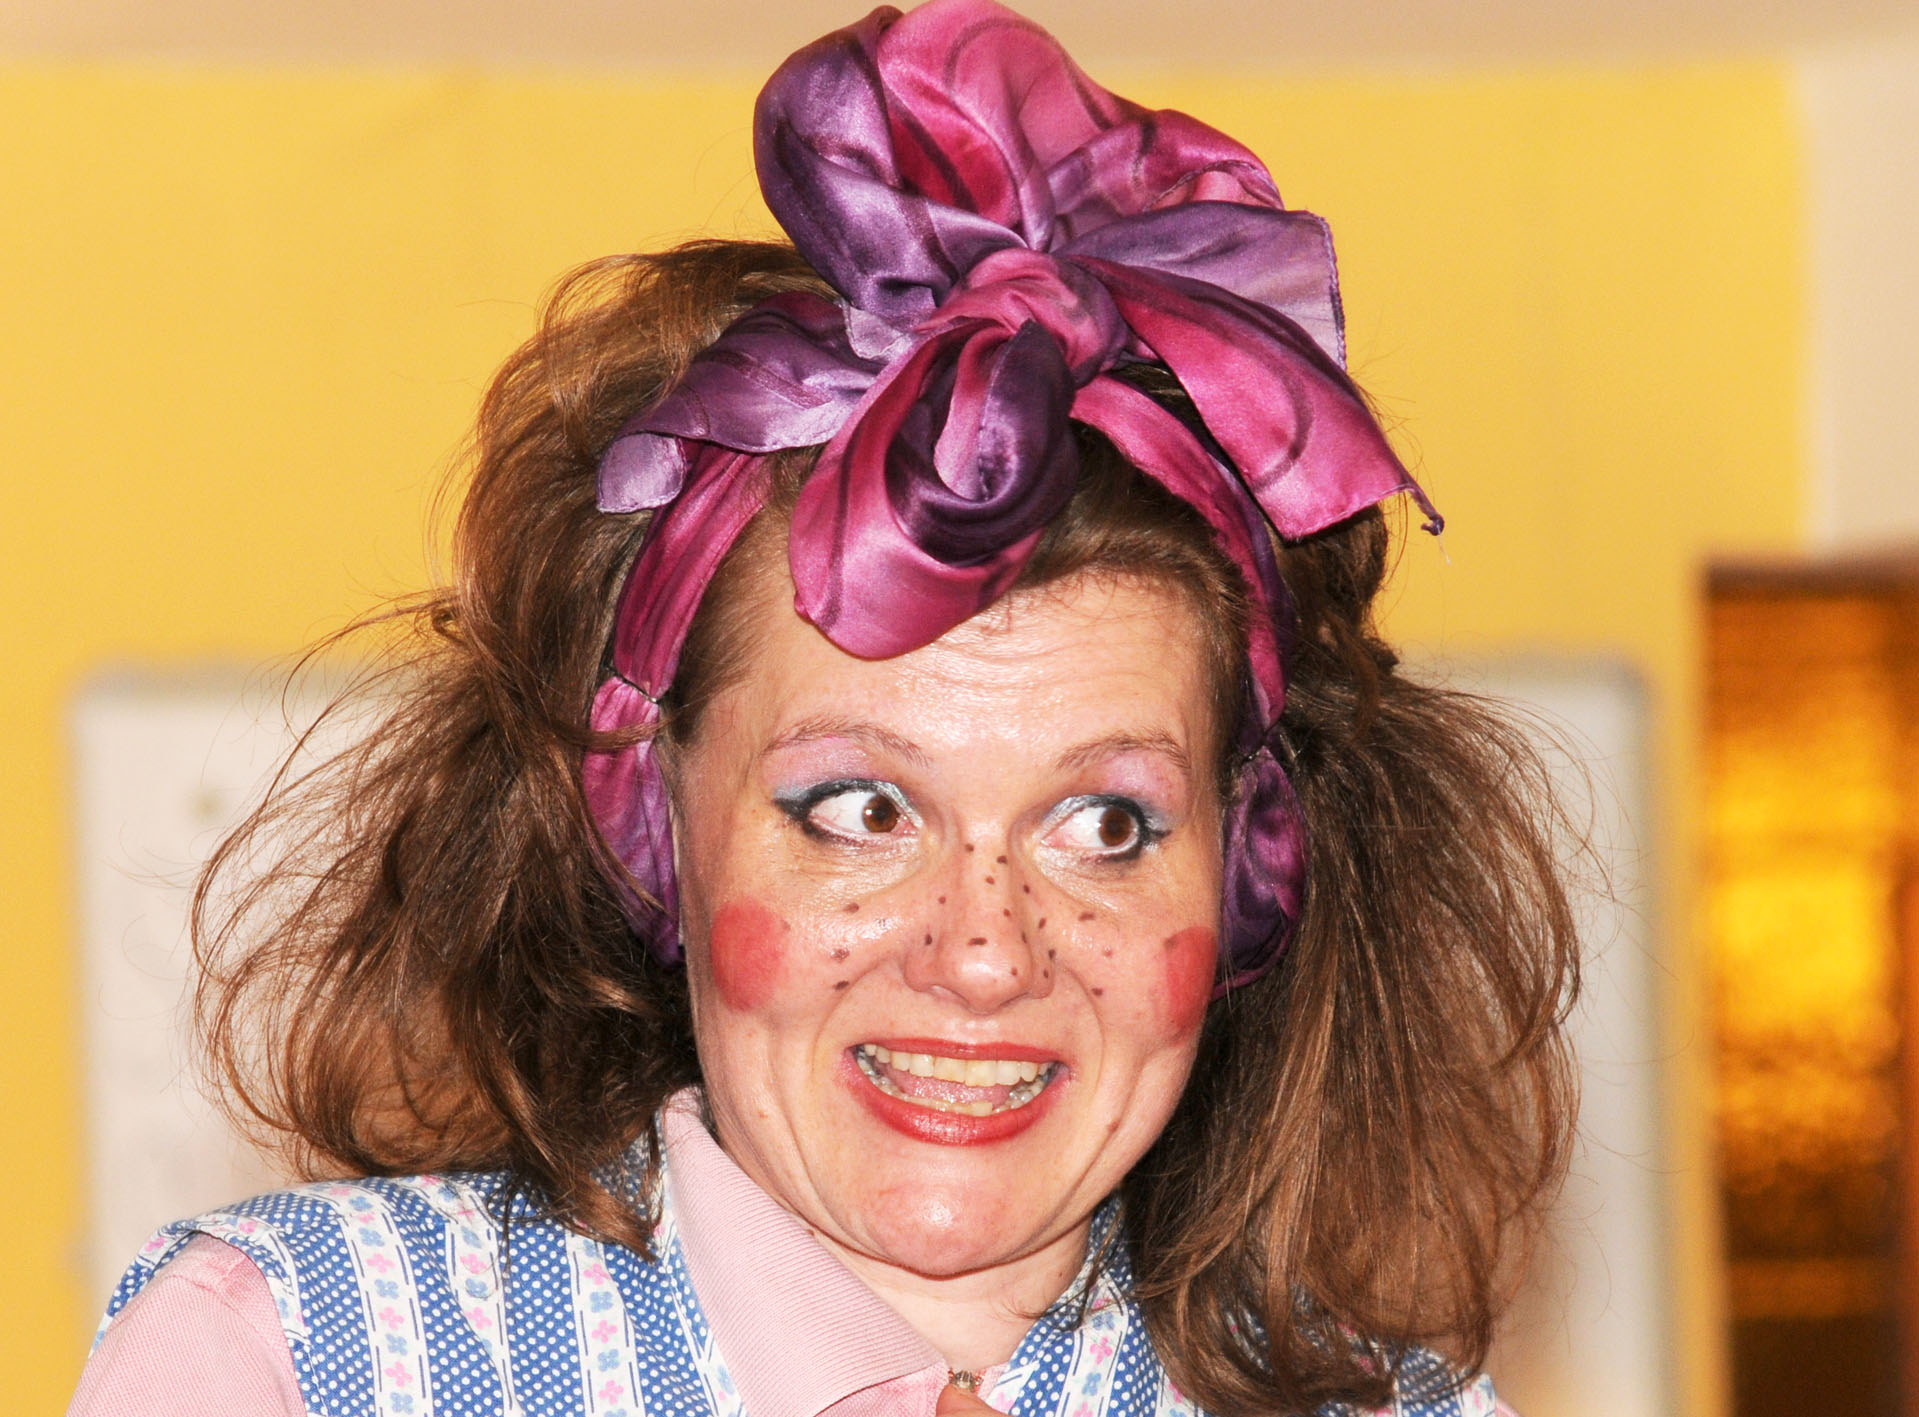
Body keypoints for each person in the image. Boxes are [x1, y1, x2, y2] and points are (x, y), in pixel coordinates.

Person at [69, 2, 1579, 1414]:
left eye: (1107, 824)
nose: (984, 953)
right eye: (860, 808)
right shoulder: (299, 1355)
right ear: (652, 822)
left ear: (1250, 871)